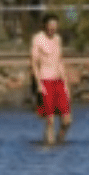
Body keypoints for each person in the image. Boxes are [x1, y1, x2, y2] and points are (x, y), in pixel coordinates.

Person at [30, 13, 71, 146]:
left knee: (67, 120)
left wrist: (65, 84)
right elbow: (34, 63)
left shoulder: (57, 39)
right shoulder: (38, 39)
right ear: (45, 26)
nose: (53, 28)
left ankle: (60, 138)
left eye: (55, 25)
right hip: (45, 80)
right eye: (50, 25)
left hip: (58, 80)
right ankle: (49, 143)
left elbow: (60, 62)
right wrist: (38, 84)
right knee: (50, 119)